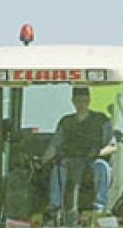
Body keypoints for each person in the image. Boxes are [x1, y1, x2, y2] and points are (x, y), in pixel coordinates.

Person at [42, 87, 116, 217]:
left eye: (84, 100)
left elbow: (112, 146)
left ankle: (99, 207)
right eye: (78, 100)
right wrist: (44, 160)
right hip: (69, 161)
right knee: (57, 170)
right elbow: (54, 145)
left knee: (102, 168)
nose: (81, 104)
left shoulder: (101, 120)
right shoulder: (66, 122)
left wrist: (98, 153)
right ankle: (55, 206)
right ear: (73, 101)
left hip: (93, 161)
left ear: (89, 101)